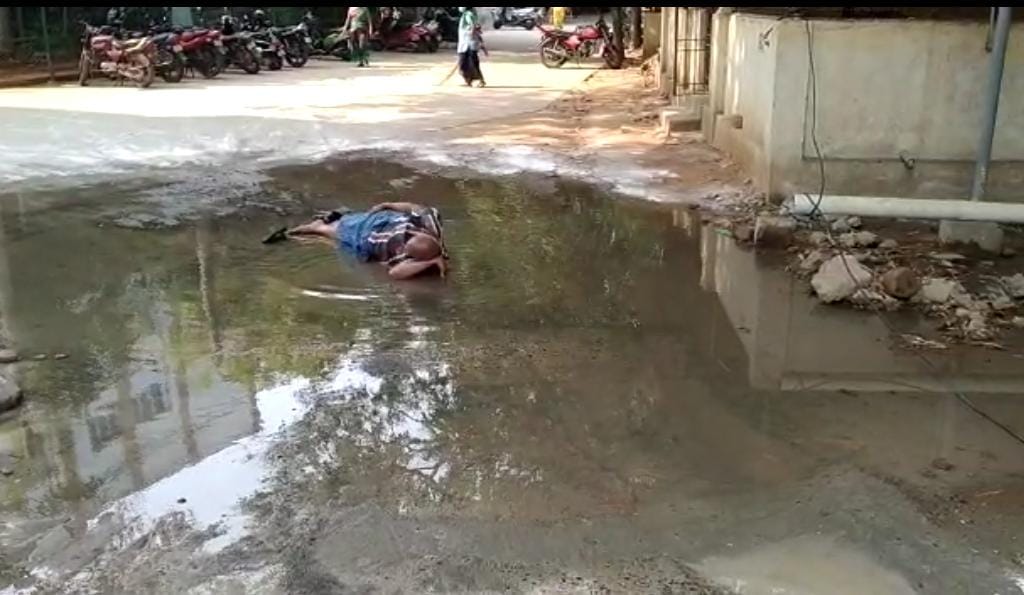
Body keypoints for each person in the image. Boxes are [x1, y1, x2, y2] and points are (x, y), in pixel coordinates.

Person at [282, 202, 448, 280]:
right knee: (347, 226)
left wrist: (430, 261)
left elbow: (395, 273)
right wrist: (389, 205)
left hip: (373, 232)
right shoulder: (430, 224)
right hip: (381, 224)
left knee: (344, 230)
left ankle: (319, 226)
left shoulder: (401, 253)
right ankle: (322, 224)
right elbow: (414, 207)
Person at [456, 7, 486, 87]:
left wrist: (472, 35)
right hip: (465, 43)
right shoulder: (468, 14)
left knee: (470, 63)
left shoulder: (468, 14)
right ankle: (468, 80)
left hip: (468, 44)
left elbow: (473, 26)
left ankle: (479, 80)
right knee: (466, 63)